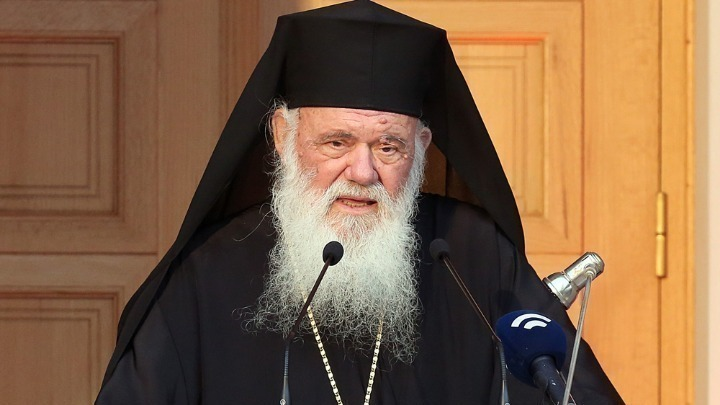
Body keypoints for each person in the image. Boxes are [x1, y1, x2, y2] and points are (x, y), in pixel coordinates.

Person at [96, 2, 623, 404]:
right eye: (336, 143)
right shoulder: (205, 275)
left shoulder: (472, 256)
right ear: (282, 136)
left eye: (388, 147)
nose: (363, 172)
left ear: (421, 148)